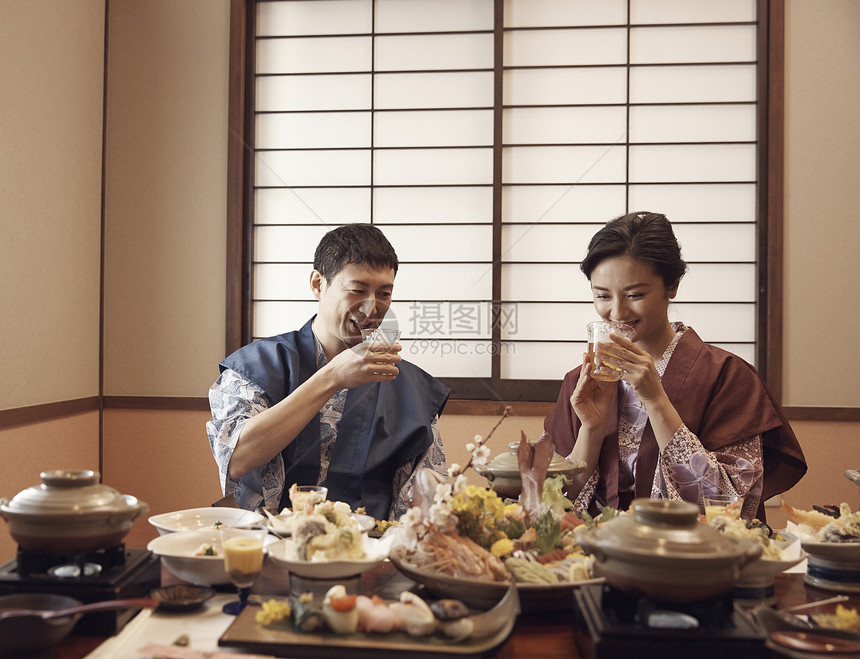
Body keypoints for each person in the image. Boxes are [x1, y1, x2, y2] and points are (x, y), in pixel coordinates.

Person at [544, 211, 806, 521]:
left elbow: (729, 506)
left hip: (688, 559)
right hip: (597, 554)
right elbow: (553, 505)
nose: (616, 312)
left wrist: (656, 401)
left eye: (635, 294)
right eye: (602, 295)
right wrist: (592, 429)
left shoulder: (727, 375)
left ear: (673, 285)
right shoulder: (581, 382)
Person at [206, 224, 450, 521]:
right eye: (358, 290)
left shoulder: (409, 386)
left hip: (369, 552)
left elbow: (427, 505)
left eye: (384, 293)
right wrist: (332, 377)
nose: (372, 308)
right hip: (265, 548)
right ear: (317, 284)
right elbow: (237, 459)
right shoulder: (256, 366)